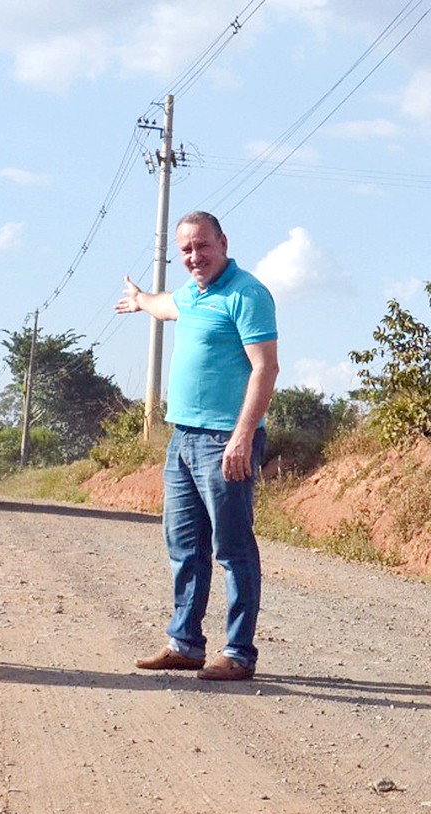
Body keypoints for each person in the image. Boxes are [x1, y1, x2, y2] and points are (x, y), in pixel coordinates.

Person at [116, 211, 279, 681]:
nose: (194, 257)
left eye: (202, 247)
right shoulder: (194, 293)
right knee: (185, 544)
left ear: (223, 243)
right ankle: (185, 643)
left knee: (232, 547)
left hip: (225, 441)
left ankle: (239, 653)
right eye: (185, 250)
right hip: (183, 437)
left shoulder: (246, 294)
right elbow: (169, 305)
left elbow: (265, 368)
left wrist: (242, 437)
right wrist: (141, 299)